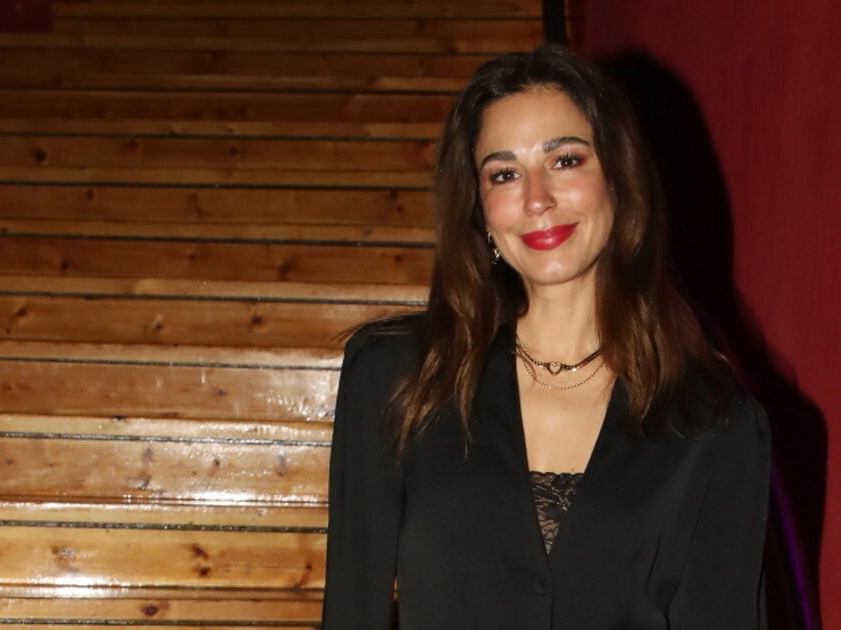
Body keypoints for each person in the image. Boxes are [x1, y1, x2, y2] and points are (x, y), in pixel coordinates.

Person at [321, 44, 772, 630]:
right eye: (504, 173)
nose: (537, 199)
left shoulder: (716, 424)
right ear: (481, 211)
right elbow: (351, 612)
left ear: (619, 178)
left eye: (566, 160)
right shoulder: (397, 377)